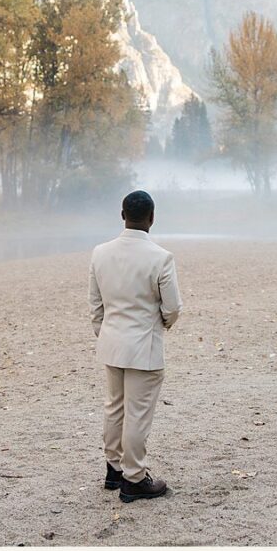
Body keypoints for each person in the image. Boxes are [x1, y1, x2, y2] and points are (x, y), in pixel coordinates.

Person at [89, 190, 183, 502]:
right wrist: (161, 325)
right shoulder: (161, 257)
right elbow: (172, 307)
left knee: (114, 407)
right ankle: (134, 478)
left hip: (112, 343)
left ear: (122, 215)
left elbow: (96, 305)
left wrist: (105, 332)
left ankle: (114, 469)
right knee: (138, 413)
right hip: (144, 345)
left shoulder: (100, 253)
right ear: (152, 218)